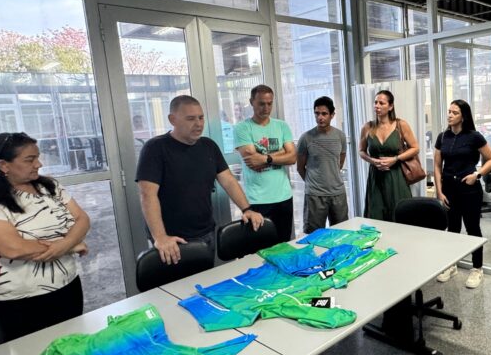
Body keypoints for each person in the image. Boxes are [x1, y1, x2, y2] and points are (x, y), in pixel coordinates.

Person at [0, 132, 90, 341]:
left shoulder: (49, 186)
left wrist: (66, 242)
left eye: (38, 157)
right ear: (4, 165)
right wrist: (71, 246)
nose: (38, 164)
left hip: (67, 284)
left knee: (72, 344)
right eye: (30, 160)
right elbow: (14, 249)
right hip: (18, 298)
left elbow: (82, 219)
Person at [137, 95, 263, 266]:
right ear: (172, 120)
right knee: (176, 290)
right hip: (171, 239)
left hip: (205, 232)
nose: (198, 124)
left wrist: (247, 209)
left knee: (203, 281)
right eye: (190, 119)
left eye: (201, 117)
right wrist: (160, 237)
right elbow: (147, 195)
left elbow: (228, 180)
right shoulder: (155, 149)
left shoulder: (208, 146)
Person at [433, 99, 491, 289]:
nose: (450, 115)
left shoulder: (474, 137)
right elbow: (437, 166)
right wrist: (439, 190)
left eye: (454, 113)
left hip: (469, 189)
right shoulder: (442, 137)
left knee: (472, 229)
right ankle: (452, 265)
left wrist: (477, 175)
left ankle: (477, 268)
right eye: (449, 112)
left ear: (463, 116)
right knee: (452, 229)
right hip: (449, 189)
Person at [234, 85, 296, 242]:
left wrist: (266, 157)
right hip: (258, 200)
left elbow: (293, 158)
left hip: (283, 197)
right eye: (261, 103)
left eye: (269, 103)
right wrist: (282, 152)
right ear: (251, 102)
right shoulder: (242, 128)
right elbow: (254, 163)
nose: (266, 108)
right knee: (260, 248)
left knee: (283, 245)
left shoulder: (281, 126)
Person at [359, 89, 420, 221]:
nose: (377, 106)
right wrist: (372, 160)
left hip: (397, 177)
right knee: (375, 217)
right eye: (376, 102)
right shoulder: (367, 127)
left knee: (400, 217)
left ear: (390, 106)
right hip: (376, 179)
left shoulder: (400, 125)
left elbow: (415, 148)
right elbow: (361, 151)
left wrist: (396, 159)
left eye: (381, 103)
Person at [296, 96, 349, 234]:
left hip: (337, 193)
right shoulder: (306, 138)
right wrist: (313, 183)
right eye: (317, 113)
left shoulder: (340, 136)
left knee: (341, 233)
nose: (320, 117)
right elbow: (300, 167)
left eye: (324, 114)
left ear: (332, 115)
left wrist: (330, 177)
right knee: (313, 236)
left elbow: (340, 162)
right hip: (315, 194)